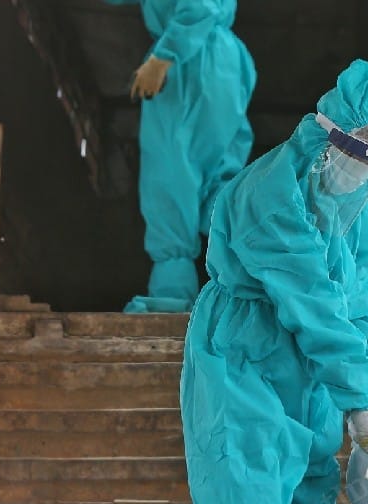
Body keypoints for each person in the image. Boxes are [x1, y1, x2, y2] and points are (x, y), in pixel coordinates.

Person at [180, 59, 368, 504]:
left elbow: (358, 307)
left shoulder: (354, 211)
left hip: (308, 369)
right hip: (245, 355)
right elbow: (315, 304)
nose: (360, 173)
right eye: (354, 156)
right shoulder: (268, 194)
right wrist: (356, 395)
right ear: (326, 137)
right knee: (248, 495)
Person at [106, 0, 257, 314]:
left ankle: (172, 297)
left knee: (171, 172)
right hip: (226, 65)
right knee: (221, 181)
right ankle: (249, 293)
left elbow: (199, 6)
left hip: (189, 61)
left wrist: (165, 55)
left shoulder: (179, 50)